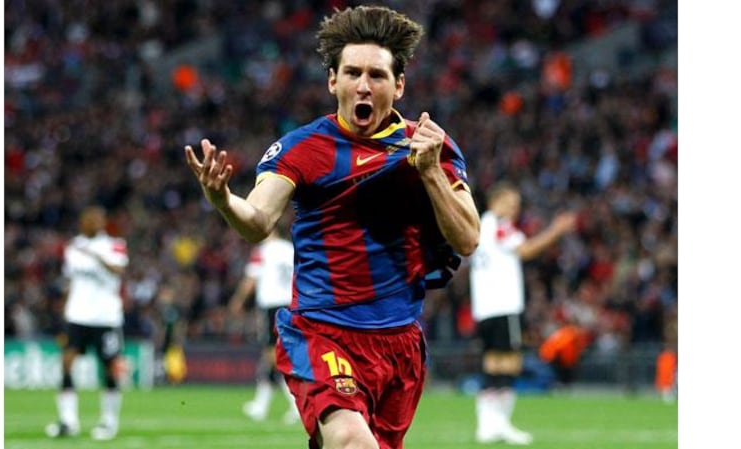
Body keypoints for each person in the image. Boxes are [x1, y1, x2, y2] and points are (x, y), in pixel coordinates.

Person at [184, 5, 480, 448]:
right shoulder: (303, 148)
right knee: (352, 443)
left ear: (398, 86)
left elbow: (468, 238)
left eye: (377, 76)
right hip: (323, 332)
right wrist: (224, 199)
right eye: (352, 72)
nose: (364, 85)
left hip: (400, 344)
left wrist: (431, 171)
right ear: (332, 80)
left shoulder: (429, 145)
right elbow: (258, 221)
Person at [468, 181, 577, 445]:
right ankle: (499, 424)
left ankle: (487, 424)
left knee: (492, 364)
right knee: (509, 364)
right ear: (496, 202)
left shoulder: (481, 226)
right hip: (504, 306)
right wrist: (557, 229)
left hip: (484, 307)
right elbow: (526, 250)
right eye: (510, 202)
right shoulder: (500, 225)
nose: (515, 208)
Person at [45, 205, 129, 441]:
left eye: (98, 218)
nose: (94, 222)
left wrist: (95, 255)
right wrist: (63, 313)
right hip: (77, 316)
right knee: (66, 362)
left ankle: (108, 422)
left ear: (103, 221)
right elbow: (71, 281)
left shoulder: (114, 244)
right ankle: (68, 422)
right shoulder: (73, 247)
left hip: (105, 317)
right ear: (83, 222)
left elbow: (119, 269)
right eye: (89, 219)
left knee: (109, 368)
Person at [228, 221, 300, 424]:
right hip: (290, 305)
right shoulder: (289, 249)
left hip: (271, 307)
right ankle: (262, 404)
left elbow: (251, 279)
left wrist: (238, 301)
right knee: (277, 355)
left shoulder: (263, 251)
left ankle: (293, 403)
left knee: (274, 356)